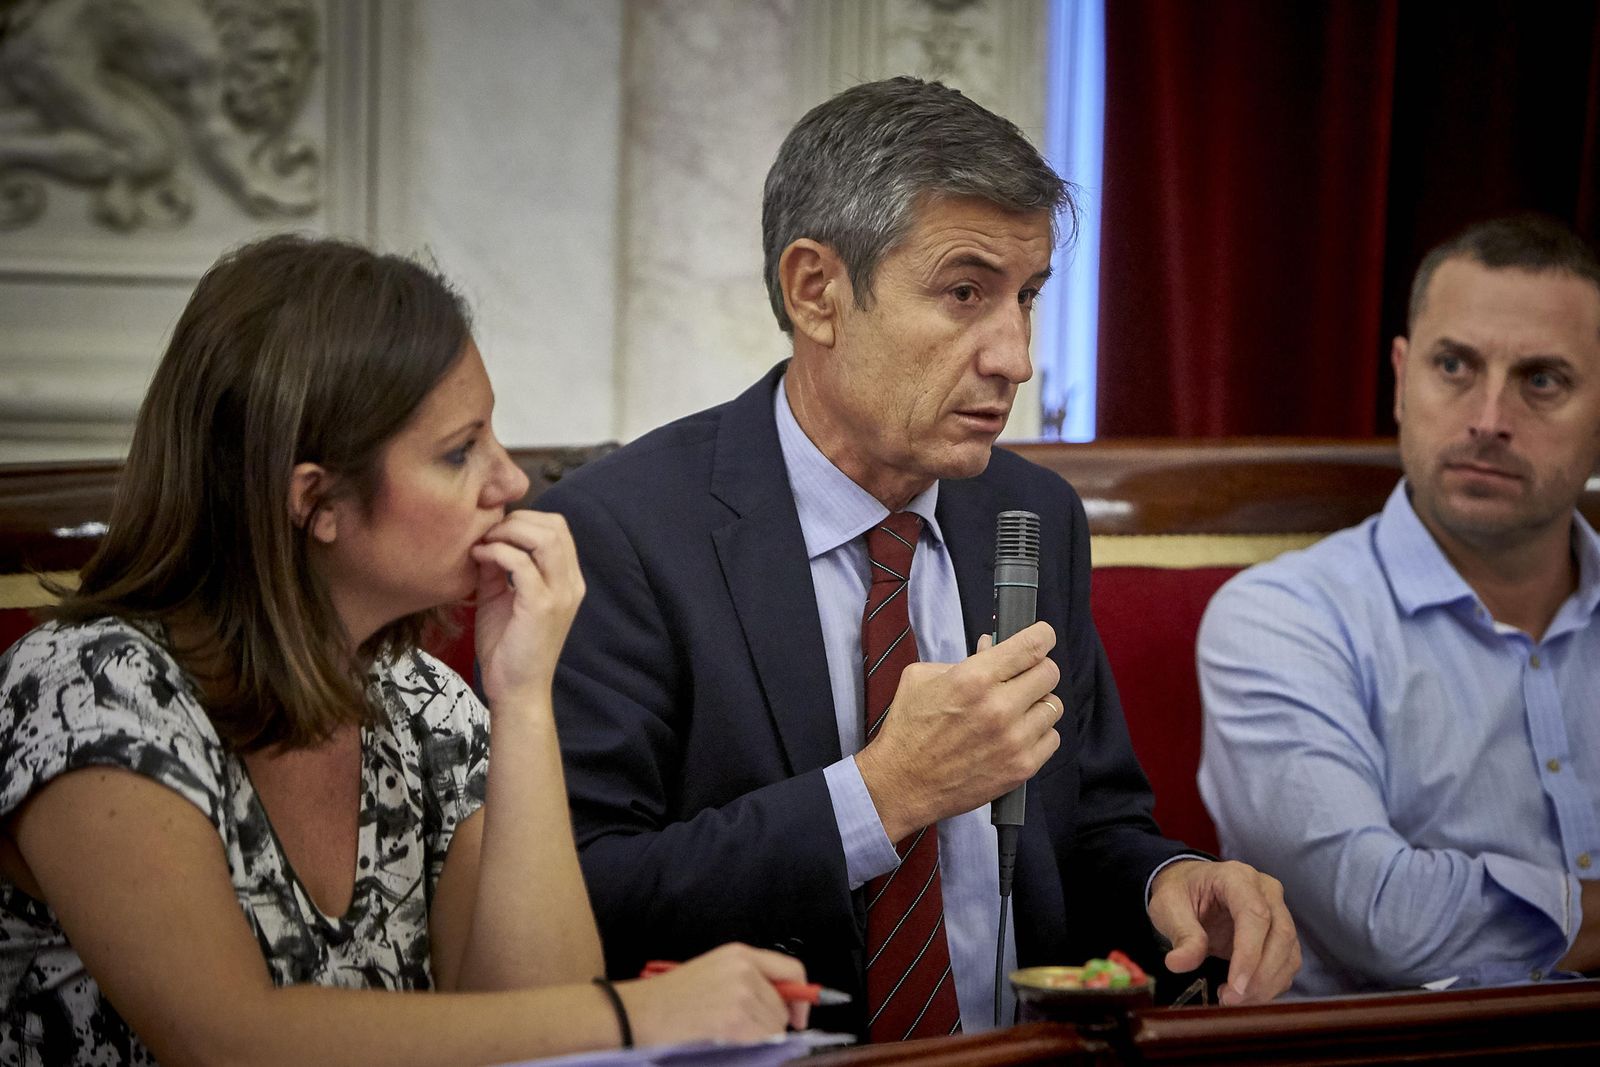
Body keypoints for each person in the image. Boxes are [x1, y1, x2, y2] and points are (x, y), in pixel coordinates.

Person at [539, 76, 1299, 1042]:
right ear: (816, 291)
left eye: (1027, 297)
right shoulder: (620, 533)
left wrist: (1171, 880)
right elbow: (584, 897)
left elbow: (1091, 825)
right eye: (965, 292)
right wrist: (882, 794)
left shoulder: (1033, 513)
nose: (1015, 357)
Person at [0, 235, 810, 1066]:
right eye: (460, 451)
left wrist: (524, 697)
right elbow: (229, 1041)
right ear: (316, 501)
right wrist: (638, 1013)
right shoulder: (90, 690)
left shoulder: (423, 704)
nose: (511, 482)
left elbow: (539, 1026)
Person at [1198, 215, 1600, 995]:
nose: (1489, 419)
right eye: (1454, 366)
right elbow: (1384, 918)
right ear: (1401, 378)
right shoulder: (1284, 618)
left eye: (1542, 380)